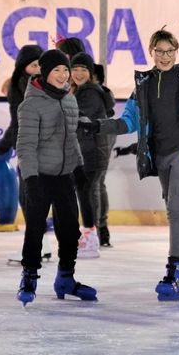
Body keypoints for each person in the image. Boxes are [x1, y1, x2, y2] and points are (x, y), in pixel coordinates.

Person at [85, 28, 179, 301]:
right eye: (160, 51)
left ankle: (175, 269)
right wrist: (97, 126)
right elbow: (128, 121)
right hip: (161, 156)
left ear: (176, 52)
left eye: (170, 51)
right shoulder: (143, 83)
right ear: (151, 52)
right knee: (177, 209)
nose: (165, 56)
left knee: (175, 210)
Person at [16, 49, 98, 305]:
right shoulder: (31, 104)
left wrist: (79, 169)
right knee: (35, 230)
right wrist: (30, 179)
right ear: (45, 73)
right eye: (57, 71)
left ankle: (66, 278)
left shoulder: (69, 100)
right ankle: (29, 277)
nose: (63, 75)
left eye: (66, 70)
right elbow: (25, 145)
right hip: (39, 176)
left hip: (64, 176)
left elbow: (71, 139)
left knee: (70, 230)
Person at [69, 51, 112, 258]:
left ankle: (92, 234)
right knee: (86, 191)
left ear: (90, 73)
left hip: (91, 152)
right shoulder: (80, 91)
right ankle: (92, 233)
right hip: (88, 150)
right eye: (75, 69)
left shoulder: (90, 93)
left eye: (83, 70)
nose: (78, 73)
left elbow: (76, 116)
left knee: (87, 192)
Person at [92, 62, 117, 247]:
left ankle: (96, 227)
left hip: (100, 136)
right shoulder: (104, 93)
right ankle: (101, 228)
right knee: (98, 183)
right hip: (106, 135)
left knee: (95, 183)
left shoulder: (95, 93)